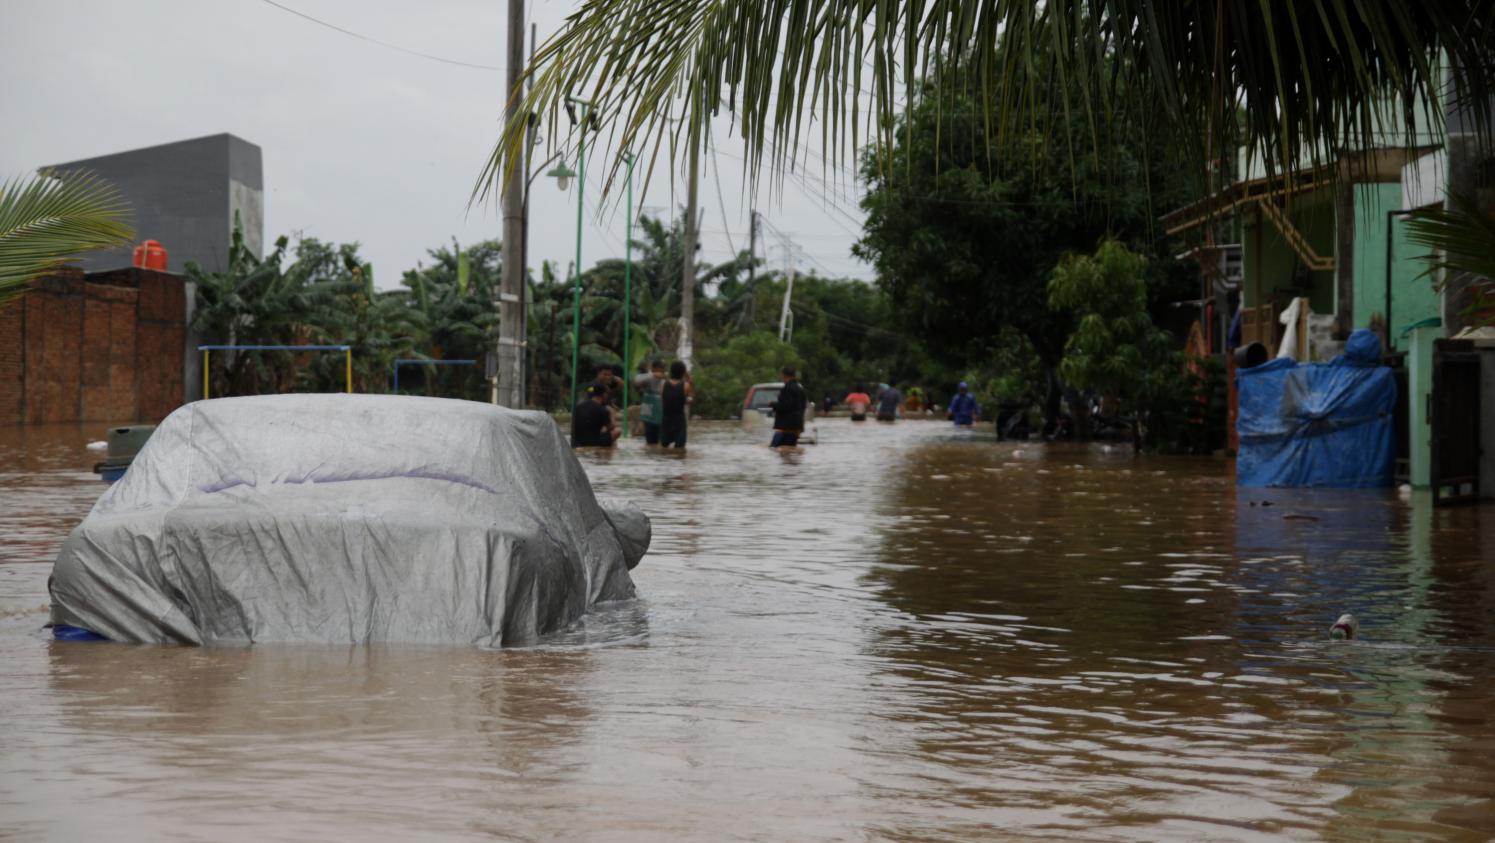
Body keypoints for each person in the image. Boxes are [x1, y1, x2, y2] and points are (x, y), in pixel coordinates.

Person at [769, 366, 808, 447]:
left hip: (785, 427)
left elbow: (786, 406)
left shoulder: (787, 388)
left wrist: (773, 404)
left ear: (784, 375)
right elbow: (803, 407)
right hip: (797, 427)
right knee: (790, 451)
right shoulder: (801, 389)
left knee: (774, 449)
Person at [660, 360, 692, 449]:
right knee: (680, 449)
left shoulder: (663, 384)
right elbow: (690, 401)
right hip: (679, 421)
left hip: (666, 420)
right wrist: (690, 382)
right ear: (683, 372)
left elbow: (662, 400)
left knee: (664, 448)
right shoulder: (686, 385)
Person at [634, 359, 667, 445]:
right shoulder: (648, 377)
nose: (660, 372)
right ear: (653, 369)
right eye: (659, 370)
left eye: (662, 370)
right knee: (650, 441)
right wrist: (652, 374)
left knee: (661, 441)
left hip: (661, 415)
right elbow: (636, 380)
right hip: (648, 415)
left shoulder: (665, 380)